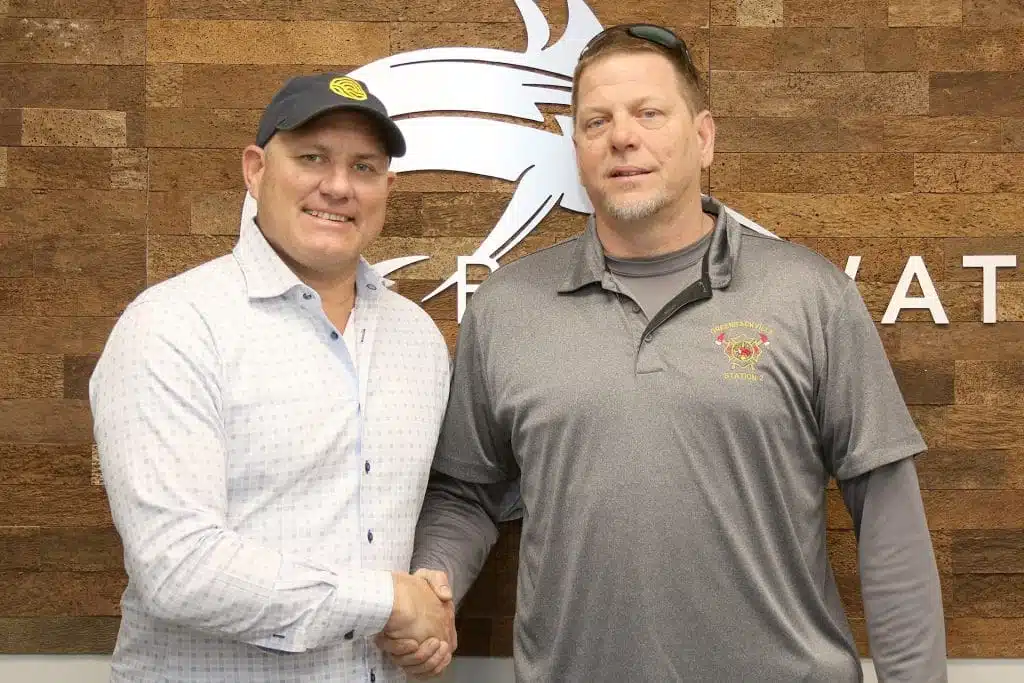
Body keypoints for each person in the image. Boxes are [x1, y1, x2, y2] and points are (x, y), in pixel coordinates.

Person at [378, 24, 948, 683]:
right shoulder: (508, 307)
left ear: (703, 137)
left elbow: (888, 515)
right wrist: (432, 582)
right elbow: (467, 492)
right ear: (578, 148)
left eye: (649, 113)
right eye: (597, 121)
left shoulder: (809, 294)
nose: (623, 136)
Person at [90, 72, 457, 682]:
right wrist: (390, 602)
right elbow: (177, 567)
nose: (337, 186)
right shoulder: (174, 326)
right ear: (256, 169)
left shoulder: (417, 337)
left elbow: (434, 502)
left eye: (364, 167)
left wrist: (430, 599)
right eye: (312, 158)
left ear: (387, 188)